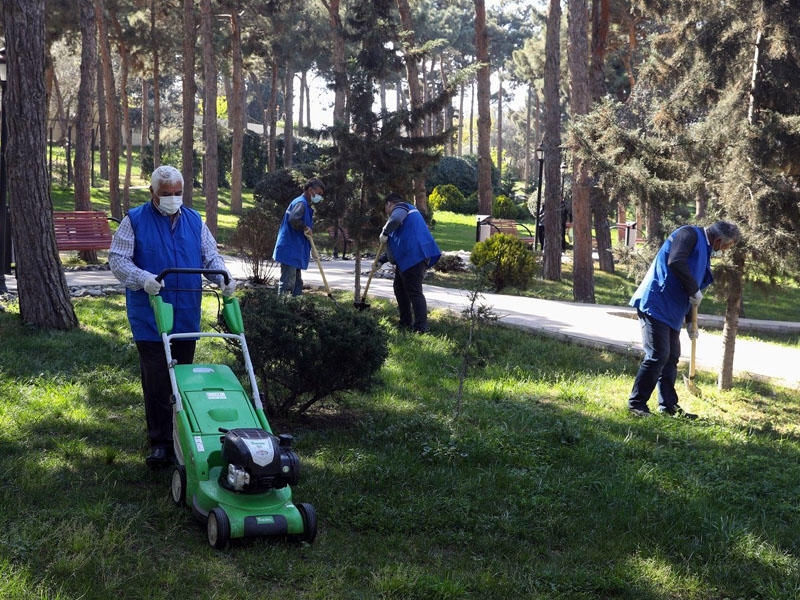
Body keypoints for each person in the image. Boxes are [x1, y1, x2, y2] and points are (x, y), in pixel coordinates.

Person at [109, 165, 235, 468]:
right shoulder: (135, 220)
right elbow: (117, 260)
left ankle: (182, 436)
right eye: (166, 194)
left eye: (178, 193)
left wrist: (222, 277)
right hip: (150, 315)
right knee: (156, 379)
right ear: (153, 193)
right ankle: (160, 442)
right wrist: (142, 278)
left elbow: (210, 256)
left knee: (182, 378)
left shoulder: (194, 220)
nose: (173, 198)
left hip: (186, 314)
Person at [627, 220, 741, 418]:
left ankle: (668, 407)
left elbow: (692, 290)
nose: (723, 251)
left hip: (673, 310)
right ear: (719, 240)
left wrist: (690, 322)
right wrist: (694, 289)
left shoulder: (705, 252)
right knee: (658, 355)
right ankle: (636, 404)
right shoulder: (688, 235)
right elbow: (676, 261)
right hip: (656, 302)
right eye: (725, 247)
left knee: (671, 358)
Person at [378, 193, 441, 333]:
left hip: (414, 257)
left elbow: (395, 219)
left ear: (389, 203)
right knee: (400, 289)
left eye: (385, 208)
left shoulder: (401, 208)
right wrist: (382, 260)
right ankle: (405, 323)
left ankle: (421, 328)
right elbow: (399, 243)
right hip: (410, 257)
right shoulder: (408, 214)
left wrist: (385, 231)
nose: (386, 212)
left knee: (414, 292)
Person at [272, 178, 325, 295]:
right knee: (288, 283)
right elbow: (294, 219)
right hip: (290, 249)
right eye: (319, 193)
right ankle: (282, 308)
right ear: (310, 190)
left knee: (297, 283)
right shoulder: (300, 203)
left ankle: (295, 307)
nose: (320, 197)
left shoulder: (304, 204)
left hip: (295, 250)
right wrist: (305, 228)